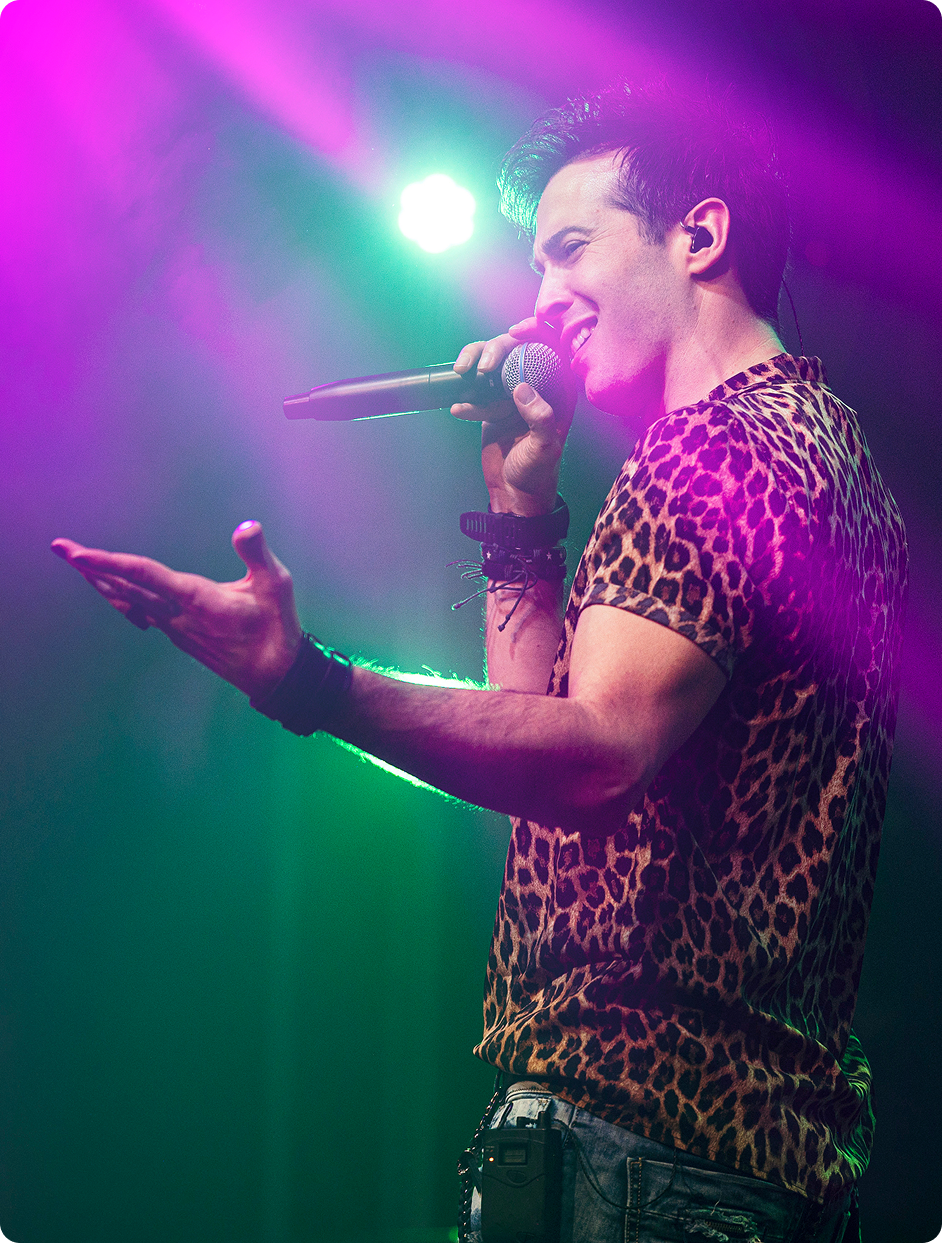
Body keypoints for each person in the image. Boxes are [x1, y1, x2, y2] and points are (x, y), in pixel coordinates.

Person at [52, 83, 907, 1242]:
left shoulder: (720, 451)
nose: (541, 300)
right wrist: (519, 505)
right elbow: (541, 766)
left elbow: (595, 758)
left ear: (700, 236)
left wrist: (308, 683)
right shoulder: (818, 450)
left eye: (571, 250)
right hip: (720, 1160)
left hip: (645, 1155)